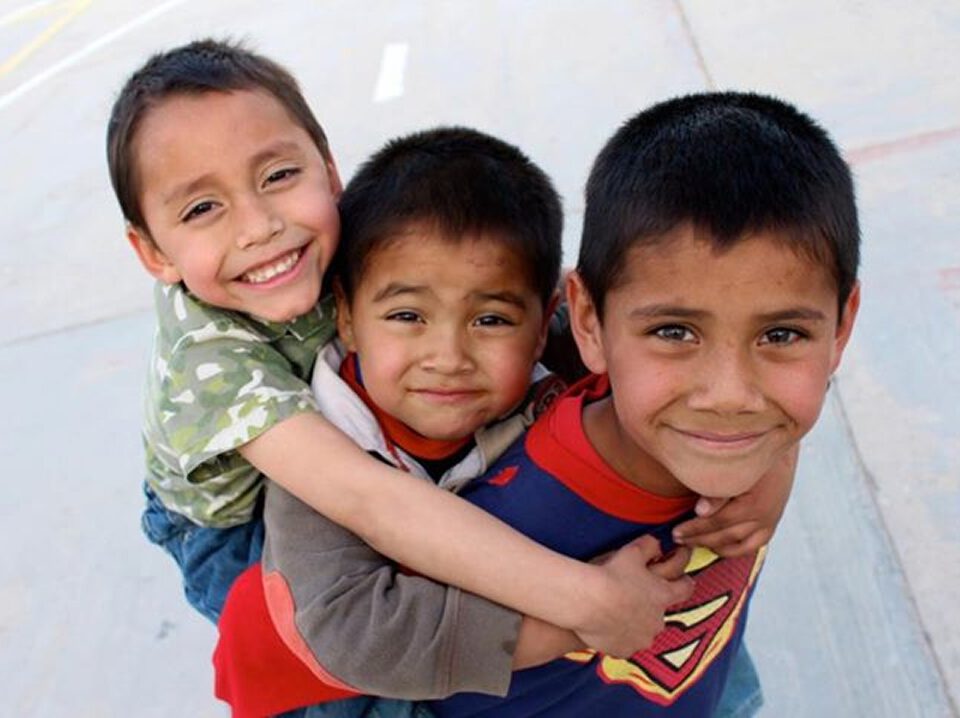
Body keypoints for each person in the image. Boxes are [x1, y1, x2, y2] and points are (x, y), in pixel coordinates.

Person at [107, 37, 705, 664]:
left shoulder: (319, 239)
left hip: (340, 448)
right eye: (204, 208)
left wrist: (753, 465)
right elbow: (370, 499)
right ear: (154, 253)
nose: (259, 225)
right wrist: (586, 604)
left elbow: (535, 300)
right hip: (232, 522)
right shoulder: (210, 364)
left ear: (328, 171)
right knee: (336, 667)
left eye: (279, 175)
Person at [214, 124, 799, 717]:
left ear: (548, 319)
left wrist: (774, 465)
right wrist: (580, 622)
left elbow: (734, 340)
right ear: (345, 315)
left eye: (490, 320)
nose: (447, 357)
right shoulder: (321, 448)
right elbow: (350, 633)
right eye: (407, 314)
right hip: (347, 684)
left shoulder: (567, 347)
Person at [423, 91, 861, 716]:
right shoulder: (503, 523)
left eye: (781, 335)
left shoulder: (759, 442)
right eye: (675, 333)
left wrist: (781, 460)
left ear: (841, 328)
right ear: (589, 321)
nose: (730, 397)